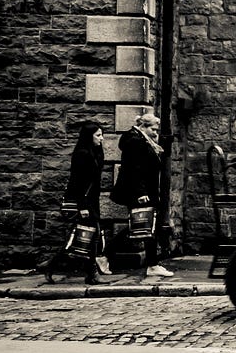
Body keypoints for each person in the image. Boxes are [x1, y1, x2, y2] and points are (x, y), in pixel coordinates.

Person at [40, 121, 106, 284]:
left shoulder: (94, 151)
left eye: (101, 135)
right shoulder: (81, 154)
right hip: (83, 201)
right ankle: (89, 274)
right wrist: (82, 206)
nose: (102, 138)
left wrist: (99, 149)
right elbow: (77, 181)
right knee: (88, 237)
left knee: (89, 237)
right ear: (88, 136)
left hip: (92, 200)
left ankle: (53, 265)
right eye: (98, 135)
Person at [111, 112, 173, 278]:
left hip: (146, 191)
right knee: (143, 227)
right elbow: (135, 169)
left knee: (144, 227)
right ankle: (106, 254)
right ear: (143, 127)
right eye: (153, 129)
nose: (155, 133)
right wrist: (141, 192)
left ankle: (152, 264)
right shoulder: (136, 142)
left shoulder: (141, 140)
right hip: (141, 193)